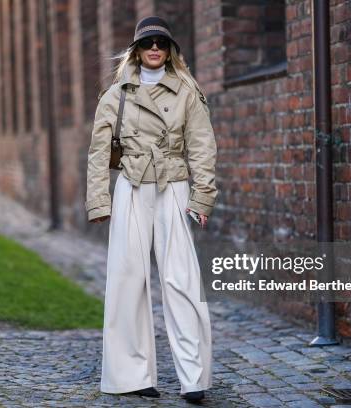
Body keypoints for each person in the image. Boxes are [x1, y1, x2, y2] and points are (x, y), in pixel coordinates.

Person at [85, 15, 217, 404]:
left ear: (170, 49)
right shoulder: (115, 94)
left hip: (173, 185)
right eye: (147, 43)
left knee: (182, 280)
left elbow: (202, 146)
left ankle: (194, 378)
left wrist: (202, 197)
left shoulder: (187, 90)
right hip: (131, 185)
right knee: (127, 280)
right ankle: (131, 376)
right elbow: (97, 153)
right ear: (137, 50)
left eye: (161, 42)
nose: (154, 48)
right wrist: (99, 201)